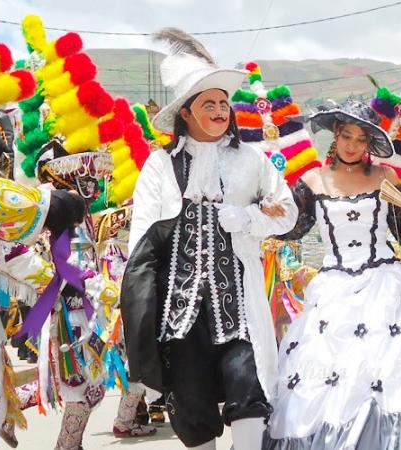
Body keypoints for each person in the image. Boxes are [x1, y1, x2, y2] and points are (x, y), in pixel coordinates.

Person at [263, 100, 401, 449]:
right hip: (333, 289)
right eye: (346, 136)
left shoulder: (387, 178)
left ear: (370, 143)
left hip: (389, 283)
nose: (352, 145)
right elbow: (293, 229)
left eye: (361, 139)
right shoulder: (312, 180)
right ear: (335, 135)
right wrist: (270, 212)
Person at [121, 28, 298, 450]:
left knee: (249, 393)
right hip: (179, 315)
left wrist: (249, 218)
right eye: (209, 104)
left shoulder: (251, 159)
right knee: (193, 410)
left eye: (223, 104)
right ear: (186, 112)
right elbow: (141, 241)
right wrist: (140, 308)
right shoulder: (159, 166)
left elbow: (287, 213)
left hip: (240, 310)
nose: (220, 111)